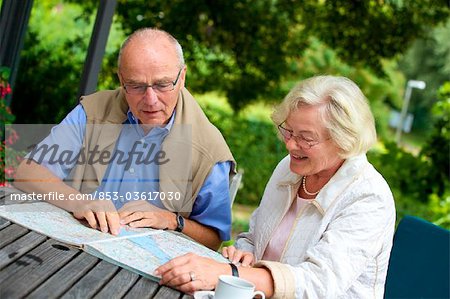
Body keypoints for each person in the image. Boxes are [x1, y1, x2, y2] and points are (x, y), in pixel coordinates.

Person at [155, 75, 396, 298]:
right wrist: (242, 255)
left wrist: (229, 273)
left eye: (306, 138)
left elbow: (318, 284)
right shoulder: (289, 168)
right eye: (288, 131)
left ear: (345, 141)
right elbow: (253, 237)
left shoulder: (369, 197)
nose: (290, 145)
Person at [14, 28, 236, 250]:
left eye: (162, 85)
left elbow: (213, 238)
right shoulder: (93, 111)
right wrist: (80, 201)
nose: (150, 100)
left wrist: (172, 220)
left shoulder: (209, 147)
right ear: (121, 79)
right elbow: (28, 172)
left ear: (182, 77)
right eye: (136, 86)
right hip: (72, 250)